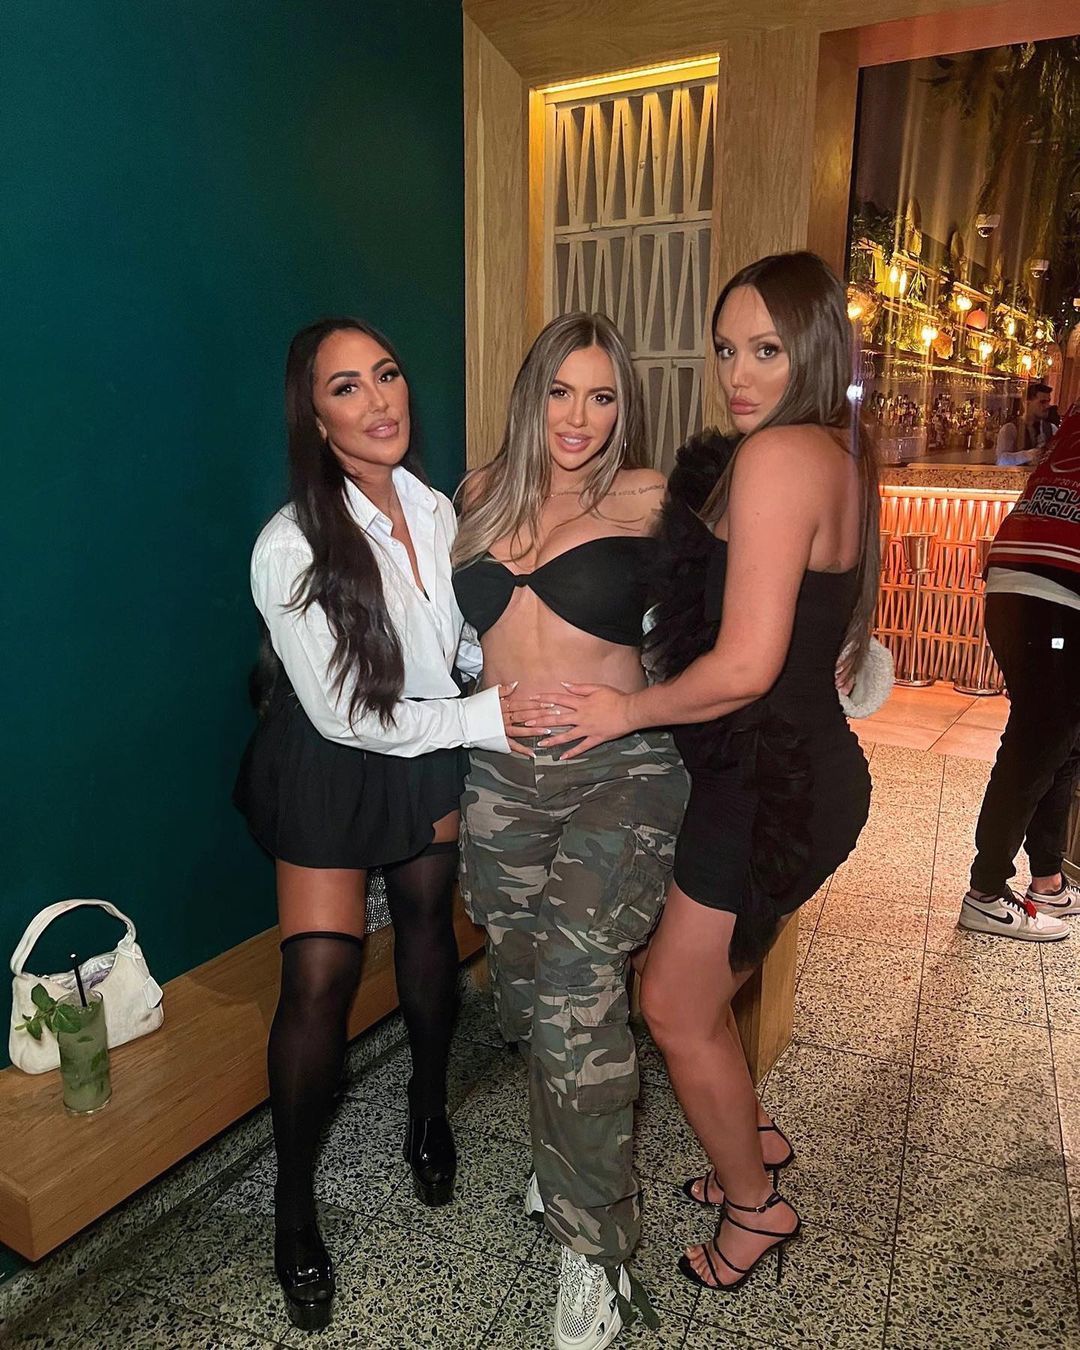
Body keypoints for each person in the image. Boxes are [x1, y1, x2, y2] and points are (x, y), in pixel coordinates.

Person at [520, 252, 878, 1292]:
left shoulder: (781, 457)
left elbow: (747, 666)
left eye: (767, 349)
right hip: (780, 774)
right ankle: (748, 1143)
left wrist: (623, 709)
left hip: (767, 783)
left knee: (673, 1005)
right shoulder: (824, 453)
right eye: (726, 349)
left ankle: (756, 1210)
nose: (739, 373)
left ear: (815, 350)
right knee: (697, 992)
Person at [233, 318, 515, 1331]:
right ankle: (293, 1209)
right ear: (315, 418)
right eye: (346, 387)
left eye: (386, 374)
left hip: (425, 743)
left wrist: (490, 668)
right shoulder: (291, 545)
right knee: (320, 974)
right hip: (333, 761)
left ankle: (428, 1111)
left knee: (431, 933)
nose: (378, 398)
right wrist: (487, 717)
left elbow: (452, 648)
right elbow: (351, 716)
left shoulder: (438, 510)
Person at [453, 312, 689, 1350]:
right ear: (531, 394)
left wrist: (640, 707)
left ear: (623, 405)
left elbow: (748, 600)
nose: (579, 417)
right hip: (502, 777)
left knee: (576, 994)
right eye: (560, 391)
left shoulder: (646, 497)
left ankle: (597, 1253)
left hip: (620, 772)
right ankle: (565, 1162)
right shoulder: (478, 495)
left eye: (601, 396)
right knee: (521, 989)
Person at [959, 399, 1080, 940]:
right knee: (1038, 744)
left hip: (1018, 580)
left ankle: (1048, 880)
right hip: (1055, 592)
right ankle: (985, 892)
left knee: (1061, 739)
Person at [995, 383, 1054, 466]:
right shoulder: (1010, 428)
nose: (1047, 406)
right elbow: (1001, 461)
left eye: (1048, 401)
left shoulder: (1052, 428)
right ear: (1026, 404)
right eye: (1042, 402)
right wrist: (1029, 455)